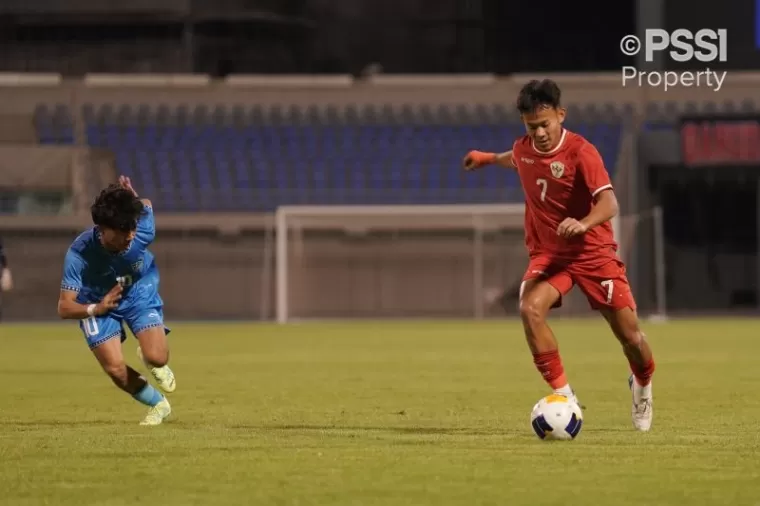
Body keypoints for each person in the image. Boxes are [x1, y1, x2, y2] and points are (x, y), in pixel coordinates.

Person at [463, 79, 655, 432]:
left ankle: (642, 384)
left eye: (545, 124)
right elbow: (515, 158)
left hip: (594, 253)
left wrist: (583, 224)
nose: (538, 133)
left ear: (560, 116)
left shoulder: (582, 152)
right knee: (529, 309)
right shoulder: (524, 149)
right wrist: (487, 158)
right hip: (552, 255)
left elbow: (610, 203)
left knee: (630, 338)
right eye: (531, 126)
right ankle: (566, 398)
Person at [57, 176, 176, 426]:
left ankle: (148, 353)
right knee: (115, 369)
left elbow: (145, 203)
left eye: (132, 227)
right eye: (123, 231)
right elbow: (64, 306)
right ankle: (158, 404)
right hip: (97, 301)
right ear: (103, 228)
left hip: (137, 290)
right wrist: (95, 308)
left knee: (158, 358)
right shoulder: (79, 254)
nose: (131, 236)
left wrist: (132, 198)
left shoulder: (142, 230)